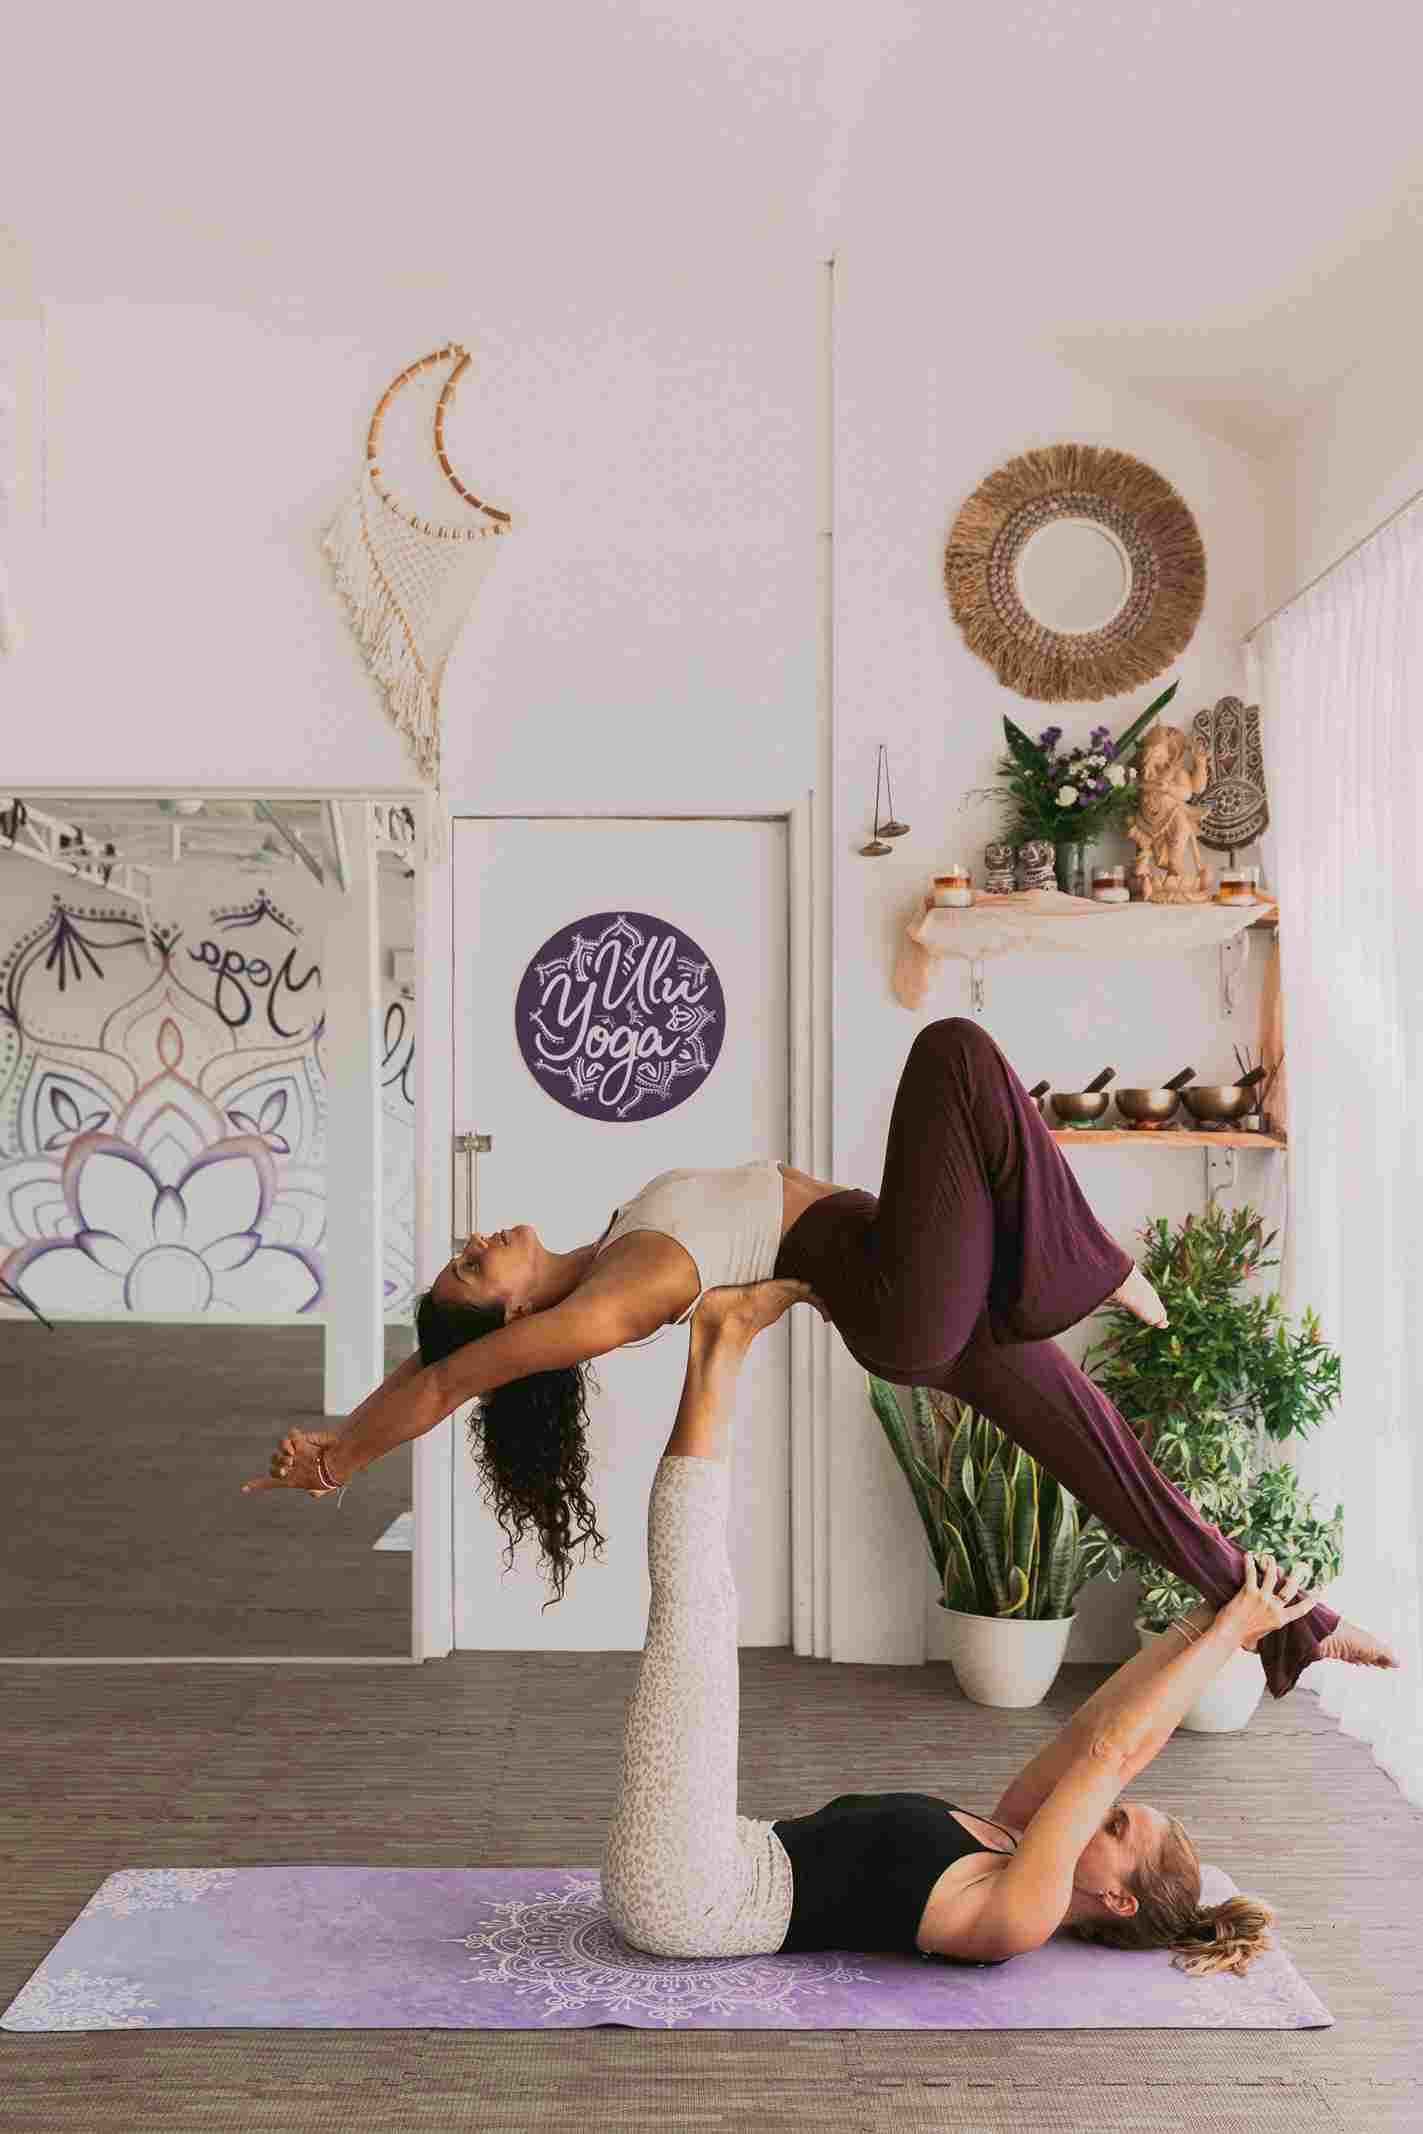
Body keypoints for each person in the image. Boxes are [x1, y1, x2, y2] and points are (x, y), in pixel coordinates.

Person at [242, 1017, 1395, 1693]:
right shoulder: (606, 1302)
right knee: (951, 1049)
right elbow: (445, 1377)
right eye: (471, 1269)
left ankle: (1296, 1625)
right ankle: (1088, 1267)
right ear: (503, 1321)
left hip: (910, 1291)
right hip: (894, 1289)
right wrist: (345, 1457)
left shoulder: (606, 1249)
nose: (479, 1242)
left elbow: (425, 1360)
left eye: (463, 1248)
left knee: (1105, 1457)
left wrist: (347, 1418)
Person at [601, 1275, 1298, 1975]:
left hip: (692, 1897)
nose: (1101, 1809)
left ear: (1116, 1899)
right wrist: (1205, 1621)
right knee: (701, 1612)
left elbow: (1112, 1755)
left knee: (699, 1612)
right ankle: (721, 1337)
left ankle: (720, 1339)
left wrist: (1225, 1638)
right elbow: (1094, 1733)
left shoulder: (1019, 1914)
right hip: (725, 1852)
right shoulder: (1010, 1837)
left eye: (1114, 1827)